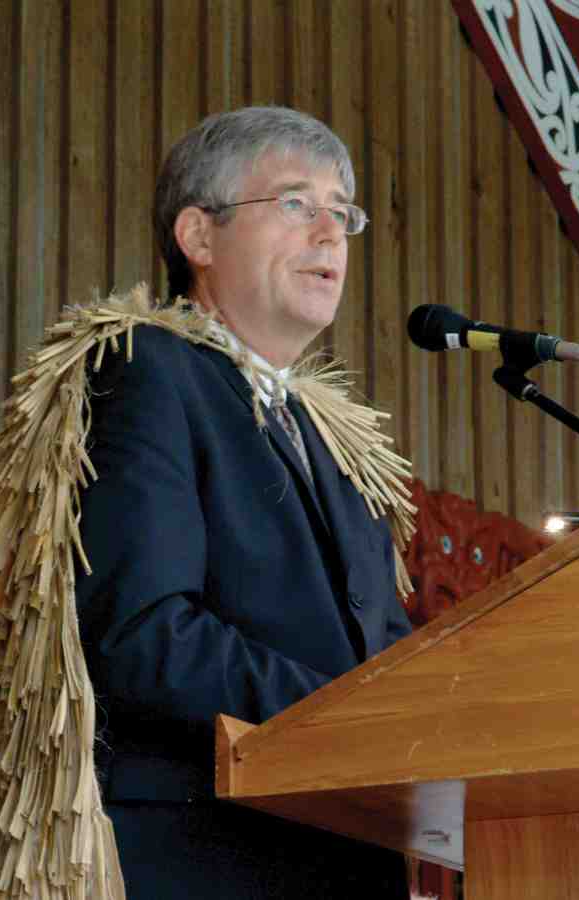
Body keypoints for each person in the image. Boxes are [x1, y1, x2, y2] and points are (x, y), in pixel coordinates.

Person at [74, 106, 415, 898]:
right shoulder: (150, 370)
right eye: (296, 203)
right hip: (207, 856)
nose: (330, 234)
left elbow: (389, 659)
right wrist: (355, 718)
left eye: (343, 213)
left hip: (346, 859)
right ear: (199, 236)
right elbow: (144, 633)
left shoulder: (337, 440)